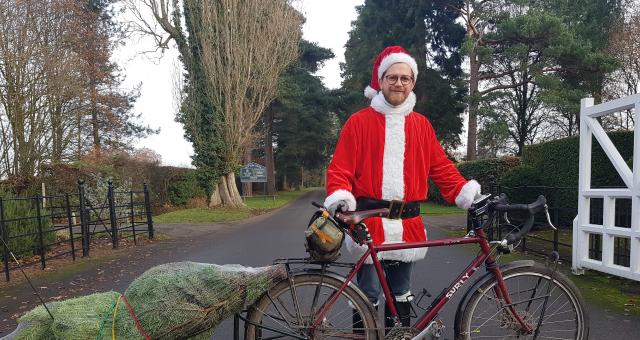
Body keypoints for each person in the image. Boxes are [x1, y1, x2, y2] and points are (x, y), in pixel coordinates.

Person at [323, 46, 481, 331]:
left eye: (405, 78)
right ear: (380, 81)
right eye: (392, 77)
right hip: (369, 224)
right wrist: (341, 198)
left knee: (401, 293)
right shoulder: (358, 122)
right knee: (367, 293)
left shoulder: (422, 126)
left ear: (412, 83)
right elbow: (340, 168)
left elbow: (441, 167)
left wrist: (465, 192)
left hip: (407, 226)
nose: (398, 83)